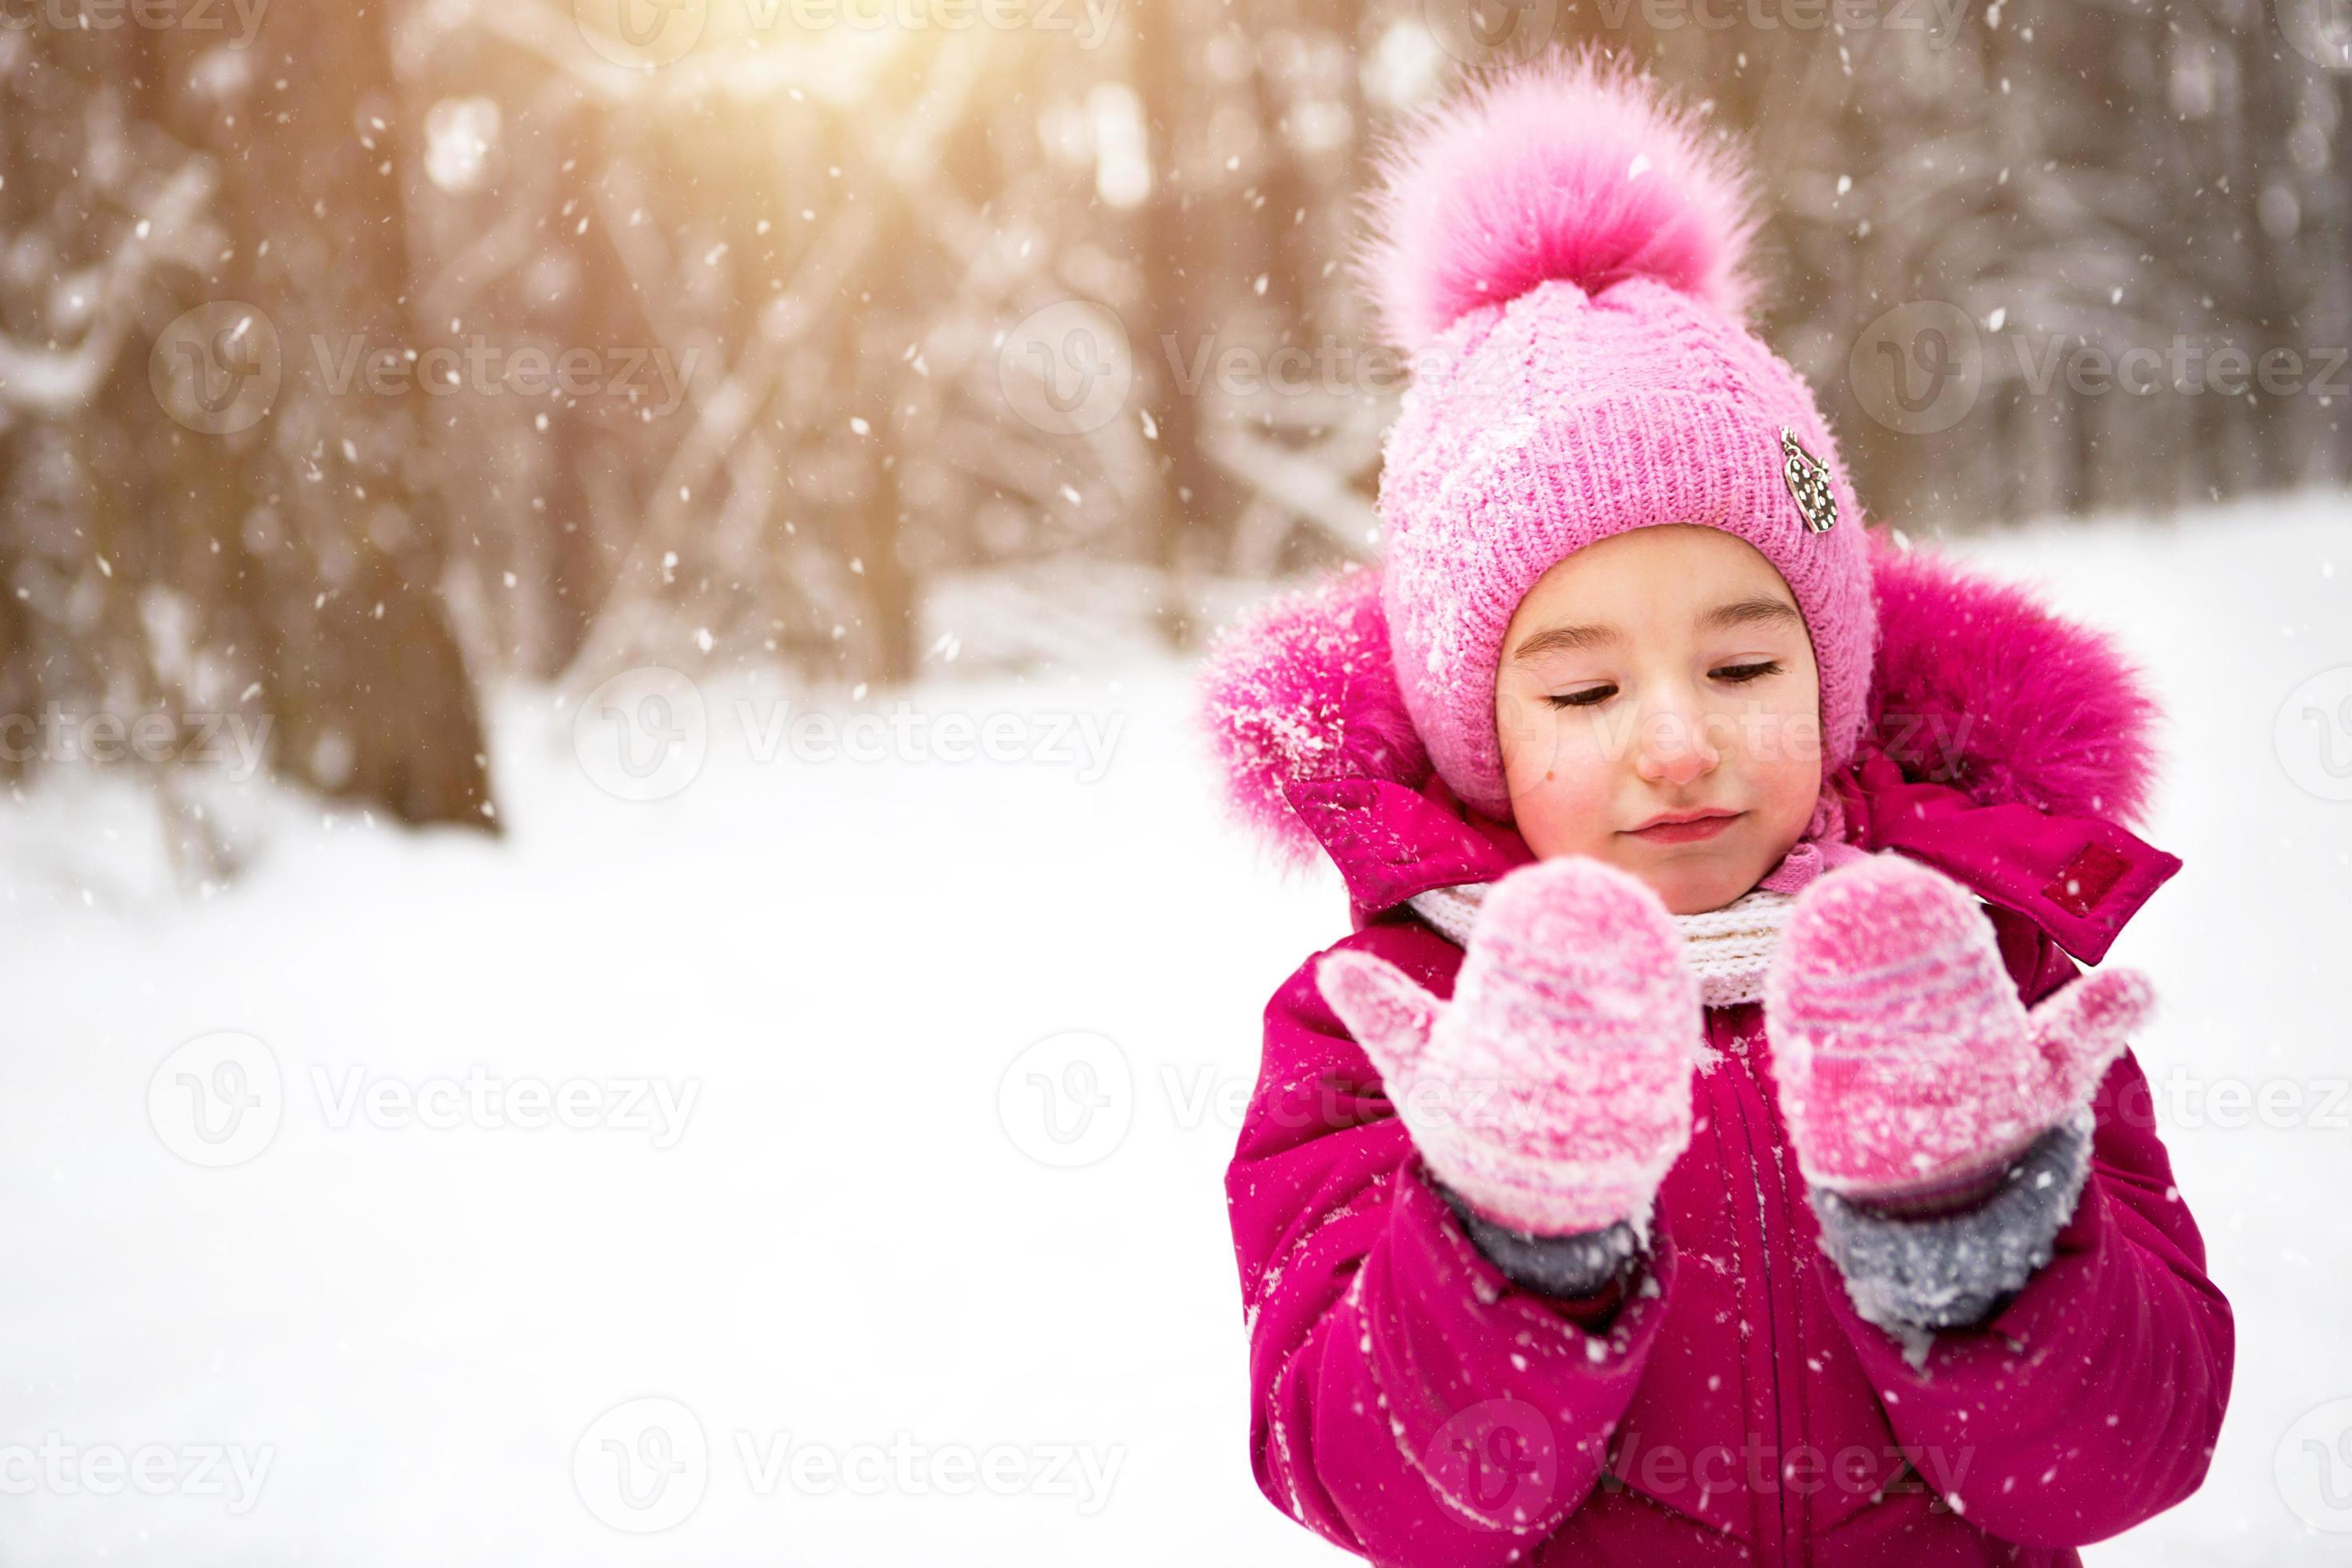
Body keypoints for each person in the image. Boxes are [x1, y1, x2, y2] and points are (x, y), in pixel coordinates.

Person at [1198, 50, 2232, 1566]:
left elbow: (2130, 1458)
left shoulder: (1966, 969)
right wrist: (1513, 1233)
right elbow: (1370, 1482)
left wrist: (1977, 1231)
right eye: (1585, 693)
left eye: (1742, 662)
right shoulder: (1394, 1020)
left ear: (1835, 668)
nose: (1678, 744)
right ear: (1469, 731)